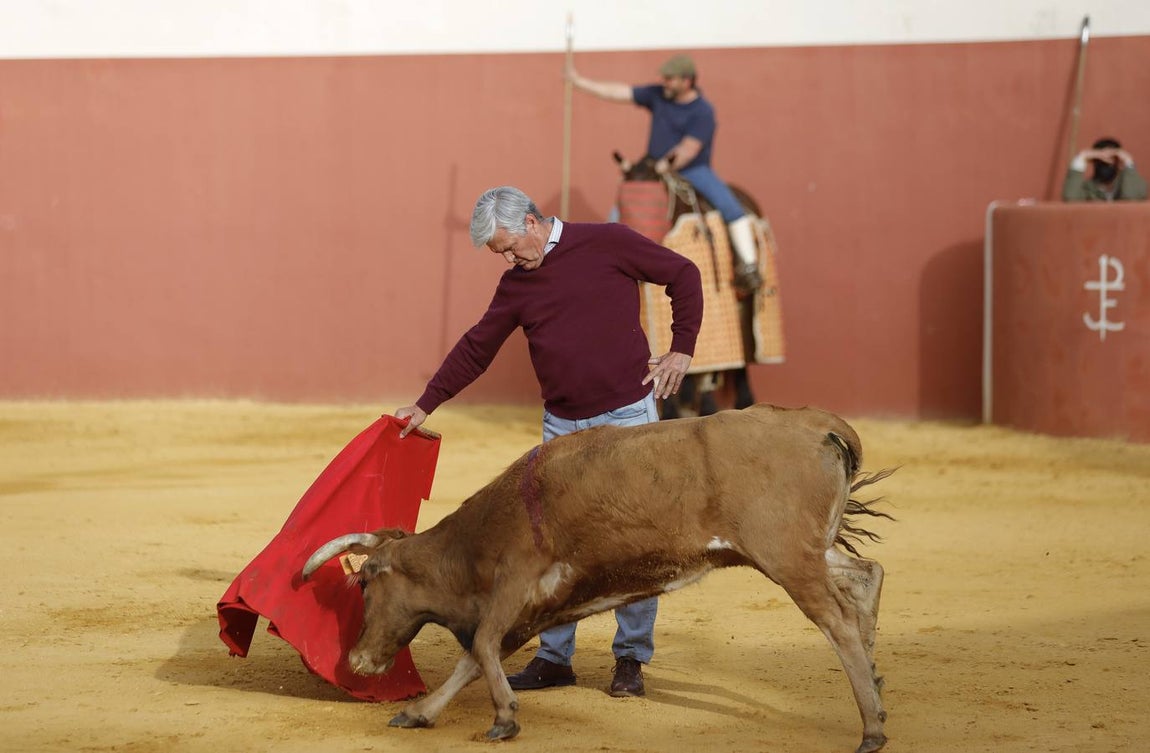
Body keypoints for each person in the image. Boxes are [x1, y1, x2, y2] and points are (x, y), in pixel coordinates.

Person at [395, 185, 703, 698]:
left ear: (533, 222)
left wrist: (682, 351)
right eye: (500, 254)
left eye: (510, 247)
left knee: (637, 539)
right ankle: (555, 657)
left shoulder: (608, 242)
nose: (510, 259)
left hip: (628, 417)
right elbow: (478, 347)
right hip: (562, 426)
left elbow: (684, 275)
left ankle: (630, 660)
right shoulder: (517, 284)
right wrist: (425, 404)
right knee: (551, 545)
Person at [567, 53, 762, 291]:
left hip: (693, 170)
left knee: (732, 208)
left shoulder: (702, 111)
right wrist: (579, 82)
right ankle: (610, 261)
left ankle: (749, 267)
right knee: (621, 208)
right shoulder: (659, 95)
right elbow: (620, 92)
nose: (665, 83)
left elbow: (689, 149)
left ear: (687, 81)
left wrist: (665, 165)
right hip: (653, 169)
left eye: (671, 79)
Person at [1062, 137, 1148, 201]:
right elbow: (1070, 198)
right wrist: (1082, 157)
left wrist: (1128, 163)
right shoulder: (1087, 188)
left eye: (1111, 160)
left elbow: (1132, 198)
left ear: (1118, 163)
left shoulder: (1128, 184)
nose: (1106, 165)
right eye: (1101, 161)